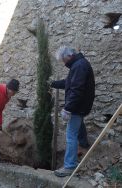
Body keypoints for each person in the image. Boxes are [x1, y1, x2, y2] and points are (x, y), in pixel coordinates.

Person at [51, 46, 95, 177]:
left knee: (70, 135)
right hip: (81, 106)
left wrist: (67, 108)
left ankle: (70, 166)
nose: (64, 63)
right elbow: (68, 82)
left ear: (69, 56)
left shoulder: (79, 66)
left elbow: (76, 89)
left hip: (77, 107)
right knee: (78, 125)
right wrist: (53, 83)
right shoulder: (78, 64)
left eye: (63, 60)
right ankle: (84, 143)